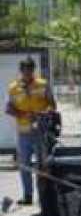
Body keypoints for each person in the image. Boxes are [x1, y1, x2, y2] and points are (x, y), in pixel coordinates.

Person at [5, 57, 55, 205]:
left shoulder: (43, 85)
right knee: (24, 165)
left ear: (34, 70)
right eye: (25, 70)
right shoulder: (13, 88)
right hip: (23, 133)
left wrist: (44, 114)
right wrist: (22, 114)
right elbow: (8, 108)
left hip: (41, 132)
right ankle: (28, 196)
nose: (27, 73)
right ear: (21, 71)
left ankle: (45, 197)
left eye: (30, 70)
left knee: (43, 165)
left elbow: (52, 105)